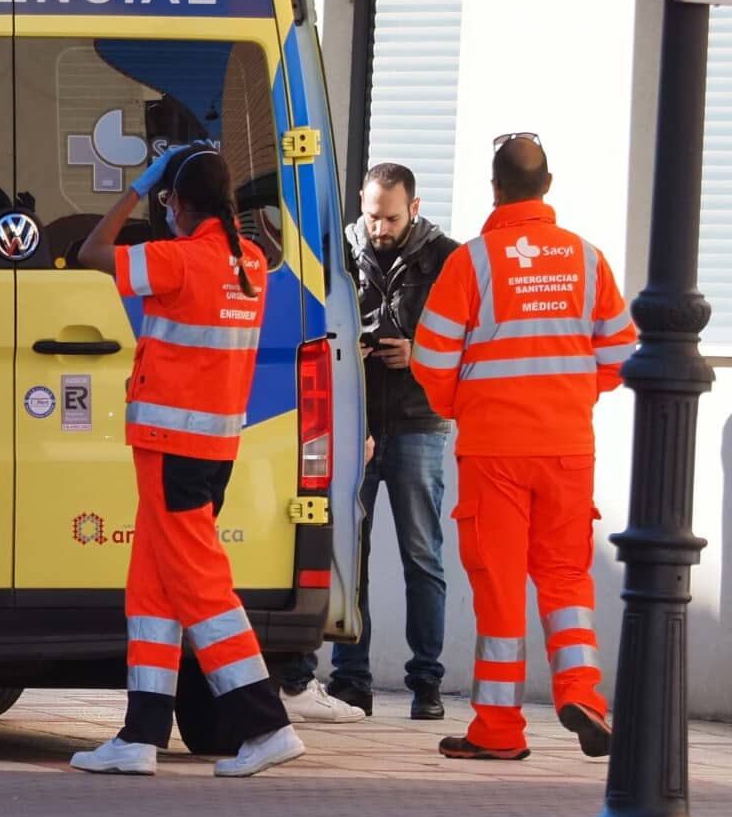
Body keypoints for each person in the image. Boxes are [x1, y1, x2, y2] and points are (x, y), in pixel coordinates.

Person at [67, 145, 306, 778]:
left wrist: (133, 188)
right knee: (153, 587)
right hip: (212, 447)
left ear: (176, 202)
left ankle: (265, 723)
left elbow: (91, 252)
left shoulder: (179, 259)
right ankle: (140, 734)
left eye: (168, 200)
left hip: (171, 448)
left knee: (200, 586)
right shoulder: (249, 260)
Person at [412, 135, 634, 761]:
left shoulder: (473, 263)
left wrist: (464, 406)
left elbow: (430, 361)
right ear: (549, 184)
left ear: (495, 188)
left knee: (501, 588)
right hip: (567, 449)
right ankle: (583, 693)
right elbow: (619, 357)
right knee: (565, 578)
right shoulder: (587, 261)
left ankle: (500, 730)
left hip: (494, 453)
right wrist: (568, 396)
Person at [274, 164, 457, 722]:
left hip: (418, 419)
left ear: (415, 207)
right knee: (350, 553)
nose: (379, 227)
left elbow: (466, 336)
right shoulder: (338, 254)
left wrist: (418, 353)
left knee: (421, 554)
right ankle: (352, 679)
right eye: (373, 214)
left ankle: (426, 682)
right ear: (361, 202)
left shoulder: (446, 258)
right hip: (355, 424)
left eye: (392, 217)